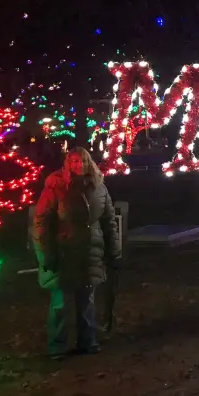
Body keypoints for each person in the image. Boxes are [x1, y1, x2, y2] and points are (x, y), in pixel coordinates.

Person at [32, 147, 121, 359]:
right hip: (63, 253)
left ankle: (88, 341)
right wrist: (45, 255)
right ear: (67, 164)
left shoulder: (99, 188)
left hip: (89, 253)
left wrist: (114, 252)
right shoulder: (55, 187)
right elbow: (41, 223)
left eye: (81, 161)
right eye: (73, 162)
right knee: (60, 303)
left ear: (88, 162)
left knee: (87, 300)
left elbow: (108, 221)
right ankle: (57, 347)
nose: (78, 165)